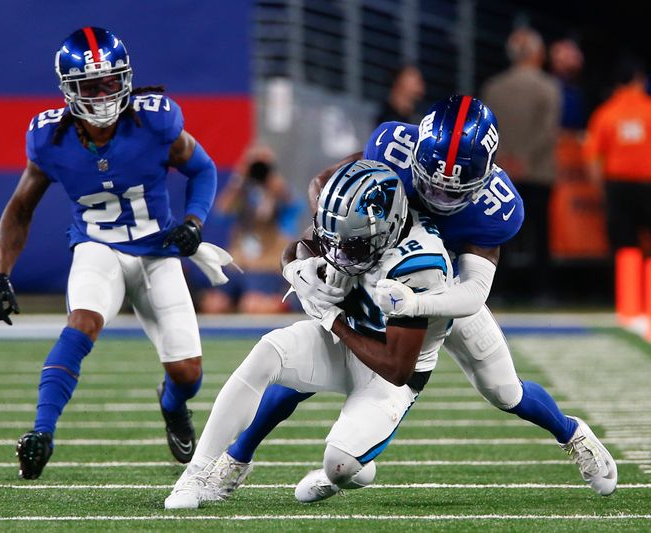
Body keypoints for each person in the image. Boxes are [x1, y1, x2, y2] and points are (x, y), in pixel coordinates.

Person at [214, 95, 617, 498]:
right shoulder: (394, 148)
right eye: (431, 184)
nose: (439, 199)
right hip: (375, 269)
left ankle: (573, 434)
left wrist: (415, 305)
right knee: (309, 359)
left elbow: (472, 293)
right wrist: (328, 240)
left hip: (443, 289)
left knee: (504, 391)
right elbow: (327, 183)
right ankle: (239, 456)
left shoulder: (497, 206)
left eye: (453, 192)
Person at [0, 27, 219, 479]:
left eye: (111, 81)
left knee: (188, 374)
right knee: (82, 323)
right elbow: (19, 210)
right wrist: (1, 275)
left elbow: (202, 168)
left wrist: (193, 221)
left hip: (157, 252)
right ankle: (41, 432)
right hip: (98, 248)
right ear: (69, 90)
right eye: (91, 86)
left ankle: (171, 404)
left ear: (126, 79)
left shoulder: (156, 122)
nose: (103, 94)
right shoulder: (50, 139)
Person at [165, 160, 454, 509]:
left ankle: (346, 470)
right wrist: (296, 268)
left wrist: (333, 321)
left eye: (354, 245)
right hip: (348, 339)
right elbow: (301, 245)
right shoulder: (351, 222)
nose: (340, 253)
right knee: (267, 352)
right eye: (337, 241)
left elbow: (397, 367)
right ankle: (195, 474)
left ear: (387, 229)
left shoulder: (420, 265)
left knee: (342, 465)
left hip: (389, 376)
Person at [481, 27, 561, 303]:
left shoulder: (494, 87)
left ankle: (497, 290)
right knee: (540, 235)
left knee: (500, 234)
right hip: (538, 172)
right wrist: (525, 159)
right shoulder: (549, 86)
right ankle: (542, 291)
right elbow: (548, 131)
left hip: (501, 171)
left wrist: (506, 158)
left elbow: (486, 128)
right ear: (537, 53)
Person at [198, 144, 302, 314]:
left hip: (265, 267)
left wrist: (277, 187)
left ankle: (280, 303)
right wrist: (239, 178)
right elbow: (220, 213)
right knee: (214, 305)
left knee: (252, 305)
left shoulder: (280, 193)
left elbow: (293, 213)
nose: (258, 171)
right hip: (238, 265)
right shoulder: (240, 192)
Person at [582, 53, 651, 254]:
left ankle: (627, 285)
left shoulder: (604, 114)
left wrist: (604, 192)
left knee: (625, 249)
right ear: (639, 78)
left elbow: (592, 160)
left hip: (617, 188)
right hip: (648, 186)